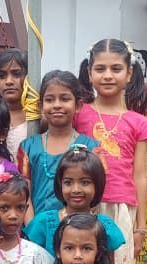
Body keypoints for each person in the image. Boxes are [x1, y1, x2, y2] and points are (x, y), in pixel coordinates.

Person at [76, 38, 147, 264]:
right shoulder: (77, 114)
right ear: (89, 73)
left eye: (116, 69)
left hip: (122, 209)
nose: (108, 75)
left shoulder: (139, 122)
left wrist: (141, 227)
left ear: (129, 73)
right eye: (100, 69)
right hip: (83, 205)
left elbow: (139, 176)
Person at [16, 70, 101, 216]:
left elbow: (96, 197)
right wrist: (34, 226)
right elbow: (23, 196)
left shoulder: (91, 148)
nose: (57, 105)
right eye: (50, 100)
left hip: (78, 225)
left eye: (64, 99)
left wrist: (75, 226)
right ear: (40, 106)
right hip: (35, 227)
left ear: (78, 105)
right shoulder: (28, 147)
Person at [23, 145, 126, 258]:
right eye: (68, 183)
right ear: (60, 184)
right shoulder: (43, 223)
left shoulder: (105, 227)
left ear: (97, 185)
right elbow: (31, 263)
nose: (76, 189)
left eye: (85, 182)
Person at [0, 48, 39, 159]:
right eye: (2, 76)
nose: (9, 81)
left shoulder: (39, 117)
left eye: (16, 74)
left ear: (29, 79)